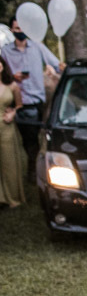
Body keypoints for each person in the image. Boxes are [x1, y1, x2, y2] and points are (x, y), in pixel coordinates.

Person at [1, 15, 63, 178]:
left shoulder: (37, 47)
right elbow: (3, 75)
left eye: (22, 28)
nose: (20, 31)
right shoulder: (5, 52)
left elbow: (57, 64)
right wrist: (14, 77)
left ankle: (35, 171)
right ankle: (32, 172)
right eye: (16, 29)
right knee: (28, 141)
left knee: (39, 139)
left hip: (38, 101)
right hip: (19, 101)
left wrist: (58, 69)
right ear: (12, 30)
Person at [0, 57, 26, 208]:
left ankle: (12, 198)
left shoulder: (12, 85)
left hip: (6, 127)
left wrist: (13, 113)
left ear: (3, 66)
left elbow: (20, 105)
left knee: (8, 162)